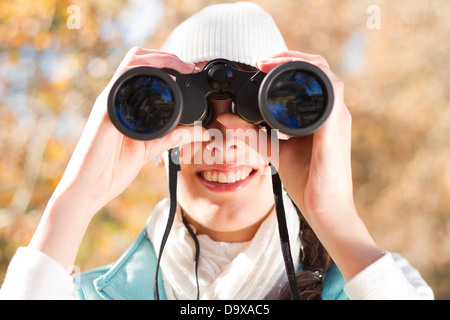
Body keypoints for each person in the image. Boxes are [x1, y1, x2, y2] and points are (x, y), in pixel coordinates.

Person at [0, 2, 433, 300]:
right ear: (158, 137)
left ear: (291, 129)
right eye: (196, 117)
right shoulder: (78, 292)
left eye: (255, 116)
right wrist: (75, 199)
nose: (225, 141)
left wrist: (336, 216)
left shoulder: (378, 280)